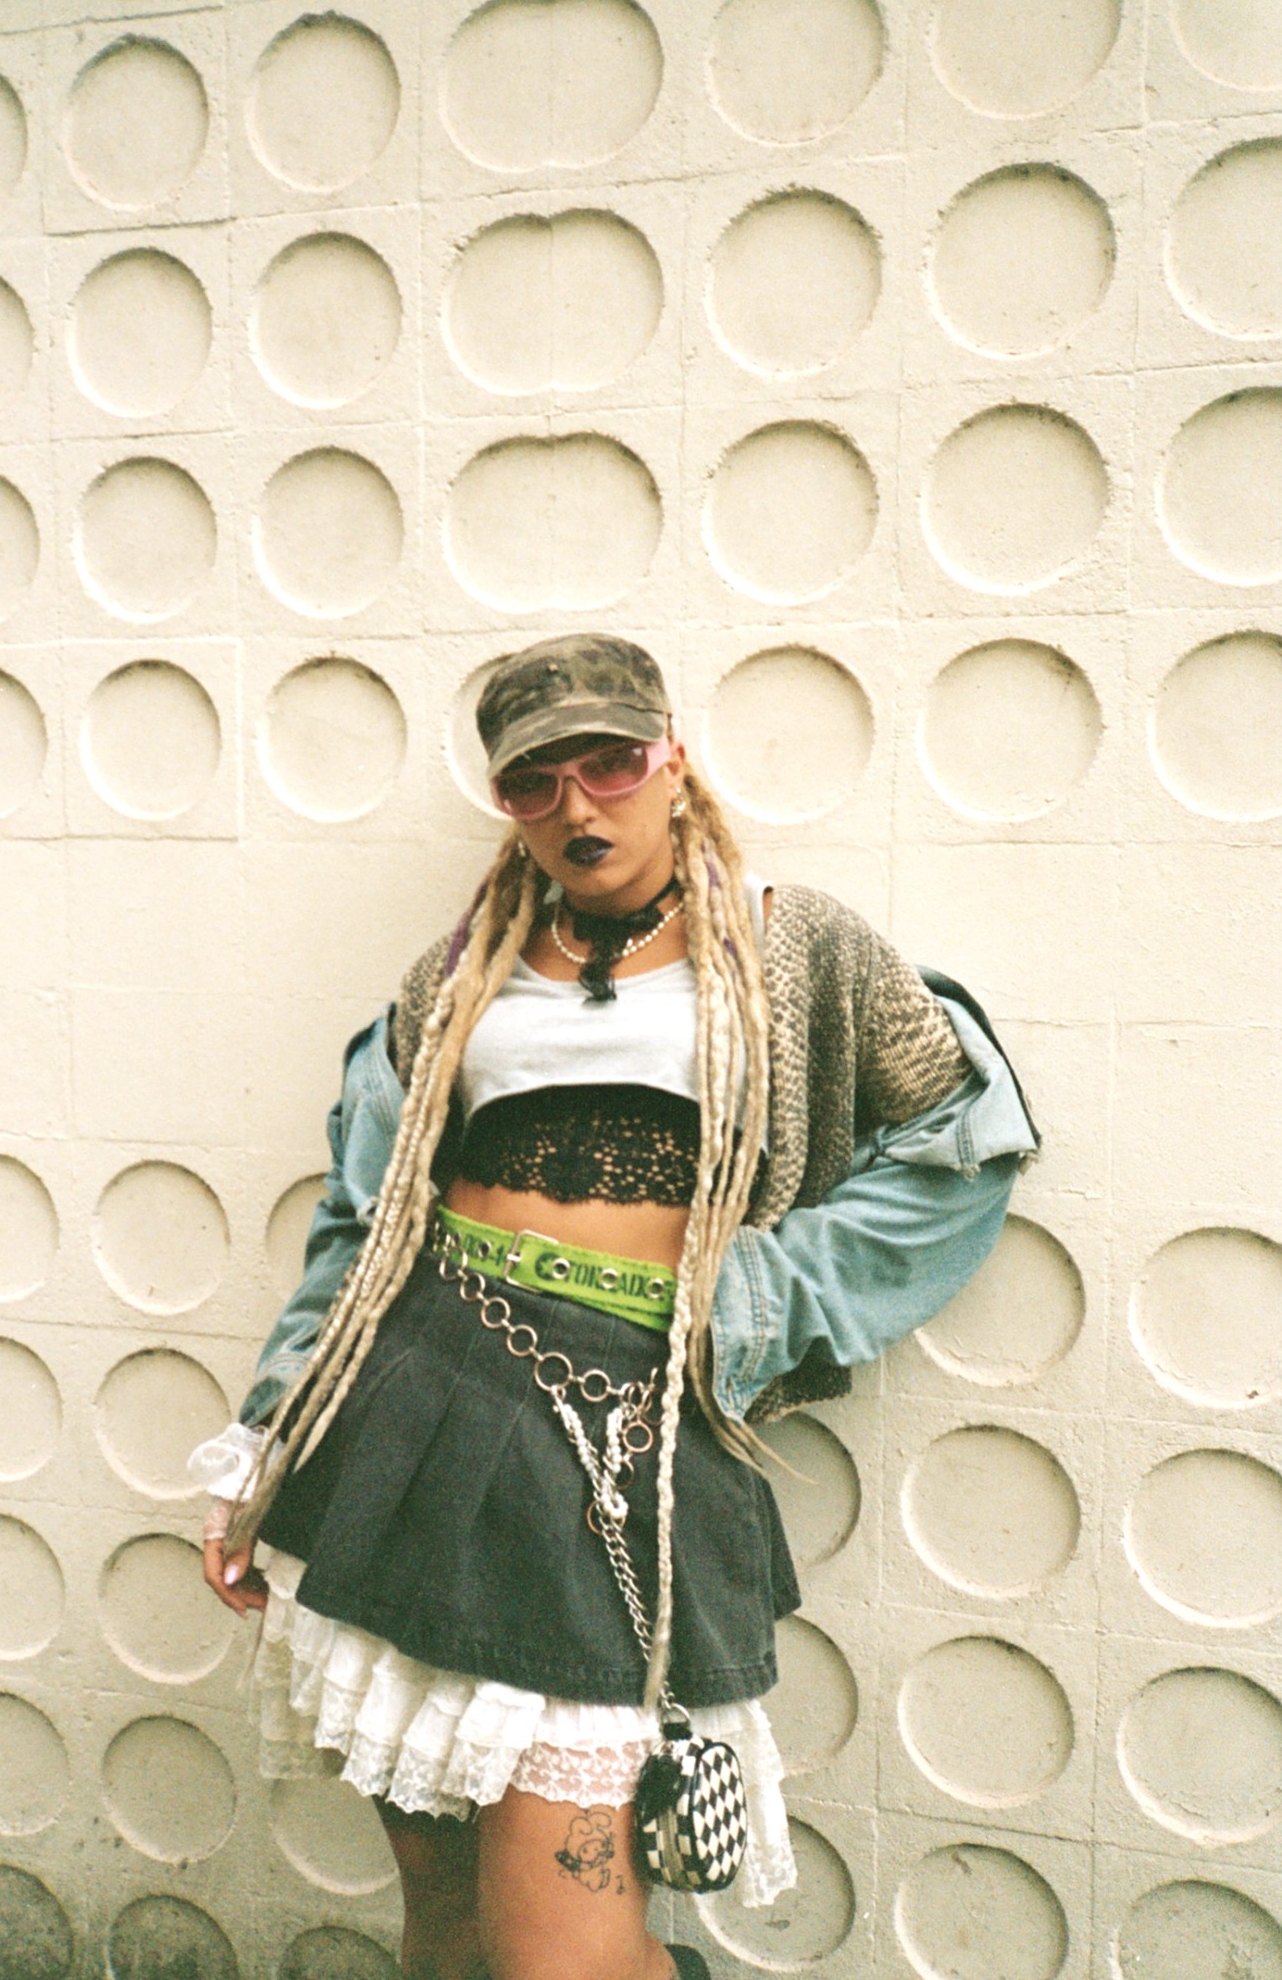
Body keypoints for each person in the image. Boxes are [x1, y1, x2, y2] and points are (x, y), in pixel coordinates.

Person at [191, 634, 1039, 1980]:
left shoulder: (792, 945)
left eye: (610, 762)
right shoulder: (460, 971)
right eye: (534, 782)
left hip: (624, 1446)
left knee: (561, 1955)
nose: (578, 805)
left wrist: (751, 1303)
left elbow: (961, 1143)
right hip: (412, 1408)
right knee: (443, 1912)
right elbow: (362, 1219)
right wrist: (267, 1440)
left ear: (671, 760)